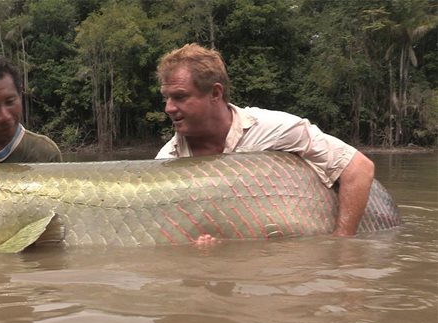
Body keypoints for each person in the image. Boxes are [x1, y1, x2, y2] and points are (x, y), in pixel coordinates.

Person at [155, 43, 374, 240]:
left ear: (215, 93)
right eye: (166, 97)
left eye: (180, 97)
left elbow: (358, 168)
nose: (168, 108)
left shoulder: (275, 129)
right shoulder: (166, 162)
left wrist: (343, 246)